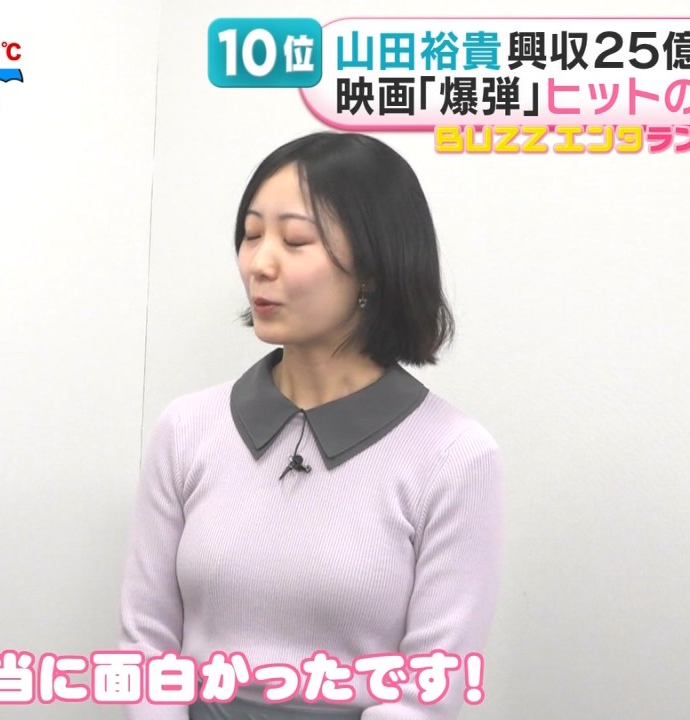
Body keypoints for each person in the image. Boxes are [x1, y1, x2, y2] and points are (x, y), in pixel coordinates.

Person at [119, 132, 504, 719]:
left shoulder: (455, 455)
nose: (259, 263)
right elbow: (146, 641)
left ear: (372, 266)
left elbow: (426, 693)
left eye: (296, 240)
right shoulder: (187, 427)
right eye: (251, 235)